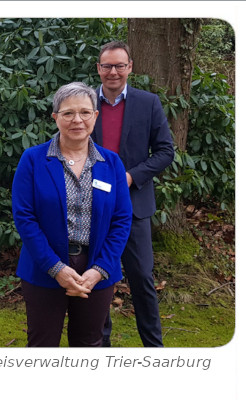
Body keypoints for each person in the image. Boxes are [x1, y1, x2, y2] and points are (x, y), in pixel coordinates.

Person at [11, 82, 132, 347]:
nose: (77, 119)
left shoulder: (111, 163)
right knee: (42, 346)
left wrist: (100, 269)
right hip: (44, 268)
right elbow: (24, 217)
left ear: (95, 116)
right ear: (55, 118)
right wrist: (56, 268)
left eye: (85, 112)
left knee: (89, 345)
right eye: (67, 113)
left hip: (96, 268)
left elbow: (122, 220)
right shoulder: (32, 159)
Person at [92, 41, 174, 347]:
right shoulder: (86, 102)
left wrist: (130, 177)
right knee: (98, 280)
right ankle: (99, 350)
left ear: (130, 68)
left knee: (142, 280)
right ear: (98, 69)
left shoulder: (148, 102)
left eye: (119, 66)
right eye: (107, 66)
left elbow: (165, 151)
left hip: (135, 206)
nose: (113, 72)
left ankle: (154, 350)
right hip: (93, 206)